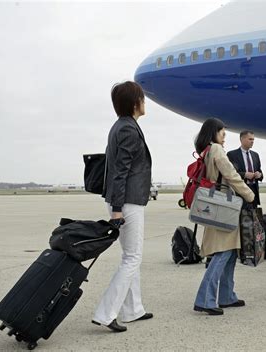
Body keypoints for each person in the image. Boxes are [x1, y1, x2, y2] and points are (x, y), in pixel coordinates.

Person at [92, 81, 153, 333]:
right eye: (142, 98)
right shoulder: (128, 129)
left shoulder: (121, 126)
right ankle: (106, 313)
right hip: (127, 201)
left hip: (124, 200)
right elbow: (120, 172)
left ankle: (133, 309)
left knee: (130, 255)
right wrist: (117, 209)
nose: (145, 102)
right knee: (132, 257)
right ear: (134, 102)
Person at [193, 118, 255, 316]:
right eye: (222, 134)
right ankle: (205, 299)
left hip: (216, 204)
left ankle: (227, 296)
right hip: (225, 205)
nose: (224, 138)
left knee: (229, 252)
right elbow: (231, 175)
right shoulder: (217, 150)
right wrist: (248, 193)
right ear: (214, 133)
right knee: (223, 253)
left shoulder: (206, 150)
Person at [227, 130, 263, 208]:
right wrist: (244, 175)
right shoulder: (232, 155)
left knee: (252, 216)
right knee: (240, 216)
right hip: (240, 190)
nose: (252, 141)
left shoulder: (255, 155)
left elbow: (260, 172)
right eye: (250, 139)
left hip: (253, 189)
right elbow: (230, 174)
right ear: (242, 139)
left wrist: (259, 175)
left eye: (253, 139)